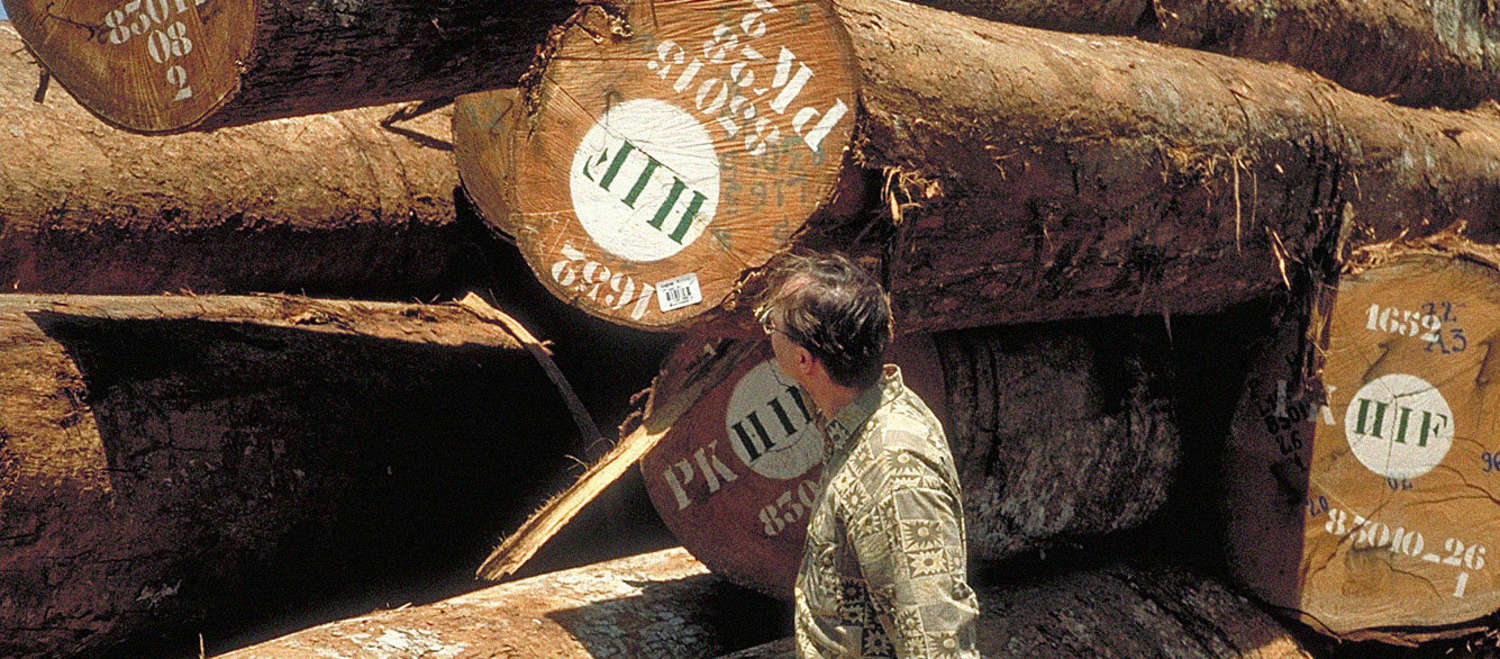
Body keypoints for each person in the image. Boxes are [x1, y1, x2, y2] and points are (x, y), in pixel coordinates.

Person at [755, 252, 980, 659]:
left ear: (804, 361)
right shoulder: (859, 424)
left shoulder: (894, 472)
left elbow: (937, 648)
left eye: (771, 324)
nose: (767, 331)